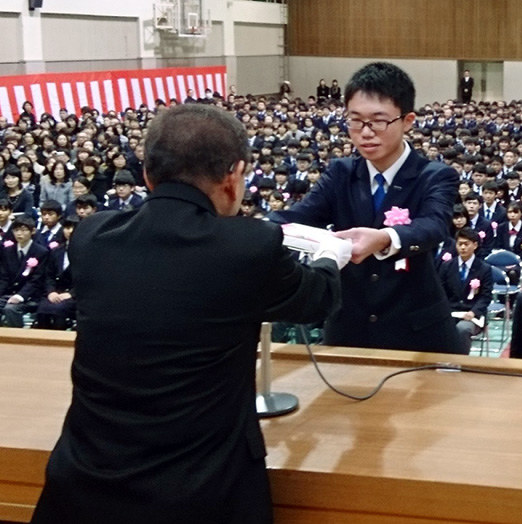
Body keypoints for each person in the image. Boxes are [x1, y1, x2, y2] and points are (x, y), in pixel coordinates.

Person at [31, 104, 349, 524]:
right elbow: (317, 299)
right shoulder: (248, 247)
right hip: (202, 495)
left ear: (147, 175)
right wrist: (331, 255)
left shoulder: (93, 237)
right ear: (233, 177)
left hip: (86, 488)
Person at [272, 62, 460, 353]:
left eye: (378, 121)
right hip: (349, 326)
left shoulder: (433, 175)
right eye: (355, 121)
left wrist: (386, 238)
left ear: (407, 120)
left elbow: (434, 226)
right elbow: (297, 217)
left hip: (417, 331)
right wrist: (253, 231)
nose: (365, 132)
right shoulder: (341, 173)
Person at [438, 227, 493, 354]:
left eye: (466, 244)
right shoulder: (447, 266)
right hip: (451, 312)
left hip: (472, 315)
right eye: (459, 244)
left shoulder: (484, 269)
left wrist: (473, 312)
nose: (462, 248)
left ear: (475, 245)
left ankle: (460, 363)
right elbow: (441, 292)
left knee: (462, 329)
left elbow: (486, 297)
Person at [0, 215, 49, 327]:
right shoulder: (7, 251)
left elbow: (37, 280)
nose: (19, 234)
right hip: (9, 293)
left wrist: (20, 296)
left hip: (30, 296)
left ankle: (17, 340)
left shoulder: (41, 252)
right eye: (16, 230)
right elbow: (4, 277)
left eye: (23, 230)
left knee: (10, 309)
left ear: (32, 231)